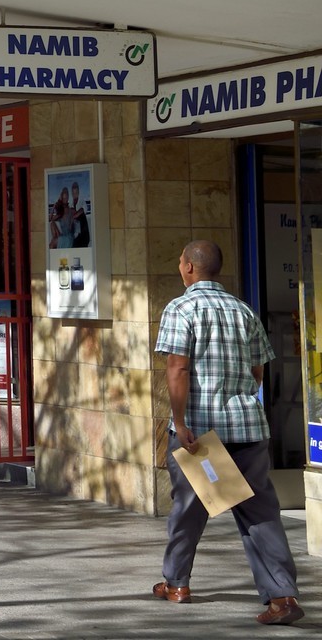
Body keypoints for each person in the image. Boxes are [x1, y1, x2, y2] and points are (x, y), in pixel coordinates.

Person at [153, 239, 302, 625]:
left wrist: (181, 422)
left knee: (188, 509)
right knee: (259, 513)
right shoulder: (243, 310)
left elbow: (177, 368)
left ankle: (177, 583)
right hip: (248, 427)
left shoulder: (180, 307)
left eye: (181, 262)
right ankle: (282, 597)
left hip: (201, 432)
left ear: (188, 267)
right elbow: (258, 371)